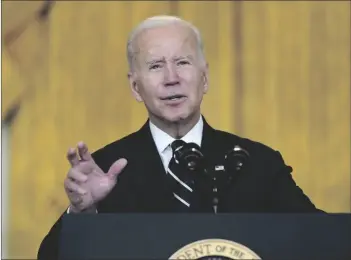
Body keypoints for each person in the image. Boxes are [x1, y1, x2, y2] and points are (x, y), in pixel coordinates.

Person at [37, 15, 322, 259]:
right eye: (156, 66)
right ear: (136, 87)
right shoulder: (105, 169)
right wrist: (82, 213)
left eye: (182, 62)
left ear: (205, 78)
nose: (171, 78)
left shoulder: (257, 163)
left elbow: (323, 244)